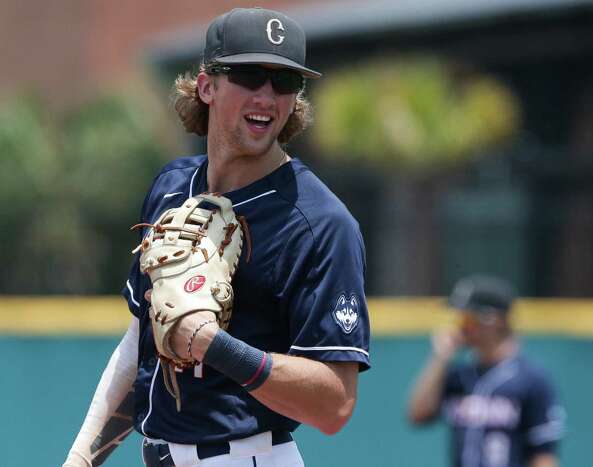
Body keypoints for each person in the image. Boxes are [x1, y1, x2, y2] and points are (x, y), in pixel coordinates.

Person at [63, 7, 370, 467]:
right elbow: (140, 344)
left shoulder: (320, 223)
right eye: (249, 75)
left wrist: (214, 344)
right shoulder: (171, 186)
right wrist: (81, 459)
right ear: (206, 86)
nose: (267, 96)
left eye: (285, 81)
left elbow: (335, 404)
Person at [407, 275, 564, 467]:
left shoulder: (531, 379)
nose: (460, 325)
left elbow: (543, 456)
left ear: (493, 320)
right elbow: (418, 415)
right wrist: (440, 358)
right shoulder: (459, 376)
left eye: (467, 318)